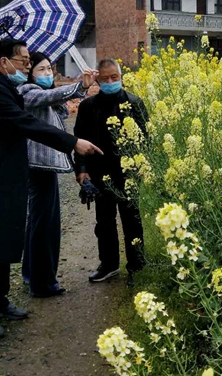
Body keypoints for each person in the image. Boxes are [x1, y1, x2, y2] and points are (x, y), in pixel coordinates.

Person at [0, 39, 102, 340]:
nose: (27, 66)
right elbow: (25, 123)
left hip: (3, 179)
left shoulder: (3, 85)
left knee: (4, 240)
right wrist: (72, 142)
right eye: (23, 61)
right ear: (4, 61)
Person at [19, 53, 97, 297]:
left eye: (49, 69)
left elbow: (59, 111)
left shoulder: (41, 96)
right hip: (37, 166)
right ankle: (42, 284)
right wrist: (79, 86)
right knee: (44, 225)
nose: (47, 74)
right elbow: (47, 96)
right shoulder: (26, 91)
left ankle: (32, 275)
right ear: (30, 73)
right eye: (41, 70)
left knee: (39, 223)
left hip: (44, 166)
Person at [73, 59, 148, 284]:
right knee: (104, 222)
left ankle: (137, 265)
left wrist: (144, 166)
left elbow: (146, 137)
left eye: (114, 77)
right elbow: (79, 140)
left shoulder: (134, 102)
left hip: (129, 174)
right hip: (100, 173)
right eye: (104, 78)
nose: (110, 81)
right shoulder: (88, 107)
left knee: (132, 220)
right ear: (97, 79)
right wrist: (82, 170)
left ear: (120, 76)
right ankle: (109, 265)